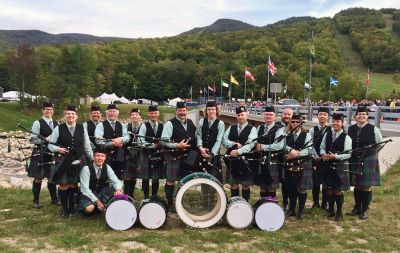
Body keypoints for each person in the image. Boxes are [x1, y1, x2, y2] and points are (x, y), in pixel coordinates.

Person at [48, 105, 93, 218]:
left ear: (76, 116)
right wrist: (57, 149)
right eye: (68, 114)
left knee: (73, 184)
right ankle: (64, 209)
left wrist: (91, 157)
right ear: (65, 115)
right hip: (63, 159)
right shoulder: (59, 128)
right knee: (64, 184)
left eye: (72, 114)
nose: (70, 115)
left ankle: (72, 207)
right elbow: (50, 144)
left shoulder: (82, 128)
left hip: (78, 158)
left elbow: (87, 145)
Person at [346, 106, 383, 220]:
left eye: (364, 114)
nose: (362, 116)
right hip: (355, 159)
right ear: (355, 116)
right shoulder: (350, 128)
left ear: (367, 116)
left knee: (366, 186)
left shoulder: (373, 128)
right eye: (359, 114)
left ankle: (364, 210)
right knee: (357, 185)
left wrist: (373, 153)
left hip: (368, 159)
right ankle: (357, 207)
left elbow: (380, 143)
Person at [161, 101, 197, 211]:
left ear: (186, 111)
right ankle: (171, 204)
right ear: (176, 111)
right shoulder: (170, 124)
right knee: (171, 180)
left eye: (184, 110)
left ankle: (180, 202)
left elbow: (195, 138)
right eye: (180, 110)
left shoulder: (190, 123)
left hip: (188, 156)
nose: (182, 112)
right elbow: (163, 141)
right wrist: (177, 145)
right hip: (173, 155)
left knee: (184, 180)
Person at [319, 113, 352, 221]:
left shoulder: (346, 137)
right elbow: (322, 147)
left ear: (342, 123)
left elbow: (348, 154)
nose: (335, 123)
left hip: (339, 166)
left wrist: (336, 156)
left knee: (337, 190)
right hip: (327, 165)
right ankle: (331, 210)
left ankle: (339, 212)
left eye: (337, 121)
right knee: (329, 189)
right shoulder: (327, 134)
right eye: (333, 121)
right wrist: (323, 154)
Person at [222, 106, 257, 202]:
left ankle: (245, 204)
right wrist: (233, 144)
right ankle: (235, 203)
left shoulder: (252, 129)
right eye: (238, 115)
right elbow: (224, 140)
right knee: (233, 184)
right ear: (236, 116)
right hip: (232, 160)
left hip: (245, 161)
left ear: (247, 115)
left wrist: (238, 151)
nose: (240, 117)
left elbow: (251, 144)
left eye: (242, 115)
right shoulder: (231, 127)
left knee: (245, 184)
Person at [28, 101, 59, 208]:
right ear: (43, 110)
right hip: (39, 153)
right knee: (38, 177)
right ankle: (36, 201)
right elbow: (33, 140)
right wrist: (45, 140)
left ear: (53, 111)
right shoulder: (37, 123)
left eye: (51, 109)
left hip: (52, 153)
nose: (49, 111)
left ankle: (54, 199)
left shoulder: (56, 123)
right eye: (47, 109)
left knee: (52, 177)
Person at [284, 114, 313, 220]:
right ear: (290, 123)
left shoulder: (307, 135)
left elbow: (309, 149)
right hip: (290, 163)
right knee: (291, 187)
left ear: (301, 124)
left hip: (303, 162)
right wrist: (290, 150)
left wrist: (297, 153)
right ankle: (291, 209)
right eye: (293, 122)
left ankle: (300, 211)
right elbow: (283, 145)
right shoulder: (287, 134)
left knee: (302, 188)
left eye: (297, 122)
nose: (295, 124)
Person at [78, 147, 123, 215]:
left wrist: (118, 189)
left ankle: (101, 208)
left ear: (105, 158)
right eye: (98, 156)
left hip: (101, 193)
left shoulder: (107, 167)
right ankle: (84, 207)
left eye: (102, 156)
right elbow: (85, 189)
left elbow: (117, 181)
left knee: (120, 192)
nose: (100, 158)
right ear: (93, 157)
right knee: (90, 208)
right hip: (88, 195)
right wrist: (97, 202)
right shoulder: (86, 169)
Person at [254, 106, 285, 199]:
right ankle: (263, 206)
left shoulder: (279, 129)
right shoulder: (259, 127)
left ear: (274, 116)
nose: (268, 116)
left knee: (271, 186)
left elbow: (279, 145)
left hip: (272, 160)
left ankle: (271, 206)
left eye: (271, 115)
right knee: (262, 186)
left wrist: (263, 147)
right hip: (260, 160)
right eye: (266, 114)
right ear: (263, 116)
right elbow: (254, 141)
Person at [95, 104, 129, 180]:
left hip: (119, 156)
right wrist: (113, 143)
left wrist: (121, 139)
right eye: (110, 111)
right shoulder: (101, 125)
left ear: (117, 113)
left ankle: (118, 192)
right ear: (107, 113)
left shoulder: (122, 125)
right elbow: (98, 141)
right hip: (105, 155)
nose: (112, 113)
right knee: (104, 178)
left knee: (118, 178)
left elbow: (128, 137)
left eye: (114, 111)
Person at [138, 105, 165, 199]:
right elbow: (140, 141)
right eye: (152, 113)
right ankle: (146, 197)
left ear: (158, 114)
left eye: (155, 113)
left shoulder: (162, 126)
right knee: (145, 178)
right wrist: (153, 146)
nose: (154, 115)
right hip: (146, 154)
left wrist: (162, 144)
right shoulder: (144, 126)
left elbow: (165, 139)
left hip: (158, 155)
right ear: (148, 114)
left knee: (156, 178)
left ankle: (154, 196)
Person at [196, 101, 225, 181]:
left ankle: (214, 193)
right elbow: (198, 135)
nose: (211, 111)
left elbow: (219, 140)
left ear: (216, 110)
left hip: (214, 156)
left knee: (214, 179)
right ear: (206, 111)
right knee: (203, 178)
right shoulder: (201, 121)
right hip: (202, 154)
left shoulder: (221, 124)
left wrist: (212, 153)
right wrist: (200, 147)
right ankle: (204, 193)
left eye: (213, 109)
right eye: (209, 109)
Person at [309, 107, 331, 209]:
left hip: (328, 159)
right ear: (317, 116)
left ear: (328, 117)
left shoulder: (331, 129)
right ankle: (316, 202)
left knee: (326, 181)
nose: (322, 116)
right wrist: (316, 156)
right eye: (320, 114)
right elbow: (310, 145)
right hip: (315, 159)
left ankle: (325, 203)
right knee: (315, 181)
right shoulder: (312, 130)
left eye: (325, 114)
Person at [124, 108, 142, 198]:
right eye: (133, 114)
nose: (134, 116)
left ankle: (131, 194)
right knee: (127, 176)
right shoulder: (126, 126)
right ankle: (126, 195)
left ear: (140, 117)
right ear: (130, 117)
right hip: (128, 154)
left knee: (134, 175)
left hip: (139, 154)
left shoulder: (143, 127)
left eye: (136, 114)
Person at [278, 107, 293, 211]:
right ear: (281, 115)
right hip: (278, 157)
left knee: (289, 182)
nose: (287, 116)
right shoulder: (277, 126)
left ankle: (288, 203)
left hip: (291, 158)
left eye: (289, 114)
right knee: (281, 181)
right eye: (285, 114)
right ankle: (282, 202)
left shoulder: (295, 126)